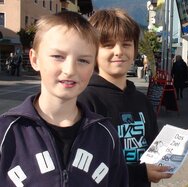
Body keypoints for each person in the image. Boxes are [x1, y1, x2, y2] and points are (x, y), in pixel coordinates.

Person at [0, 11, 128, 187]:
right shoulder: (6, 133)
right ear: (35, 59)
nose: (69, 70)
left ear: (93, 67)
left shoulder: (105, 136)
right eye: (58, 56)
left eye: (83, 60)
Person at [78, 8, 172, 187]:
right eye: (108, 45)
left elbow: (152, 147)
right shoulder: (84, 101)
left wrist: (179, 147)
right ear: (92, 50)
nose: (119, 51)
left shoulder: (141, 100)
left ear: (135, 49)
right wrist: (140, 173)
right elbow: (84, 166)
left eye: (126, 44)